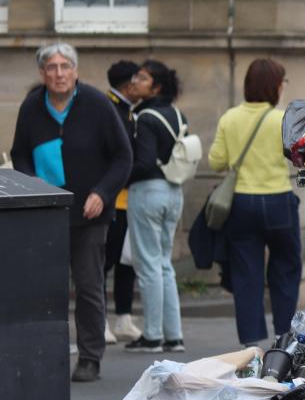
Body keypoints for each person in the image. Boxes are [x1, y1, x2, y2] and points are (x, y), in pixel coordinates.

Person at [10, 42, 133, 382]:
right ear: (42, 73)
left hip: (89, 213)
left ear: (75, 71)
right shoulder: (32, 107)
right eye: (52, 67)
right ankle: (42, 353)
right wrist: (33, 185)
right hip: (46, 213)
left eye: (65, 66)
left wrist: (102, 193)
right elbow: (20, 153)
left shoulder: (97, 104)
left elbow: (123, 156)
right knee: (42, 287)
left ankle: (90, 357)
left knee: (89, 286)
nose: (59, 73)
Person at [209, 58, 302, 347]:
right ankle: (284, 339)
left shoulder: (229, 118)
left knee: (246, 274)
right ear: (275, 86)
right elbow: (299, 158)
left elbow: (216, 162)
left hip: (241, 204)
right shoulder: (282, 119)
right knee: (286, 269)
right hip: (279, 202)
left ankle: (251, 346)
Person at [123, 60, 187, 353]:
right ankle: (173, 335)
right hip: (174, 191)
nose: (135, 81)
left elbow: (145, 162)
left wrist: (120, 177)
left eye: (142, 78)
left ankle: (151, 336)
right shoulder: (177, 114)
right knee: (163, 264)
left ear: (156, 87)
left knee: (148, 265)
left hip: (147, 191)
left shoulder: (145, 117)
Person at [103, 60, 143, 344]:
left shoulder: (128, 111)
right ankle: (100, 321)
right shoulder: (109, 109)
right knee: (104, 262)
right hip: (112, 198)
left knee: (127, 261)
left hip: (129, 199)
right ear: (129, 83)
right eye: (140, 78)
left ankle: (124, 317)